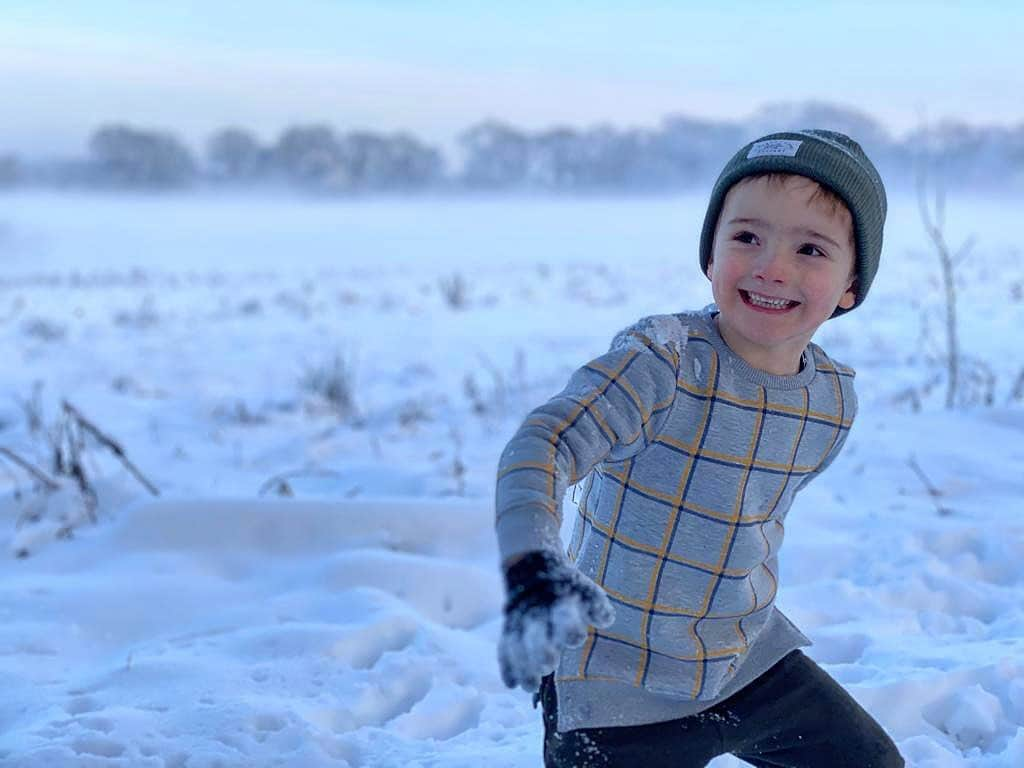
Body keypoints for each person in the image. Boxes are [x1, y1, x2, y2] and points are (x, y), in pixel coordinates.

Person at [493, 129, 904, 767]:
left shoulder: (830, 401)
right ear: (710, 254)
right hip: (614, 682)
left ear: (852, 285)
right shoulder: (661, 363)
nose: (773, 266)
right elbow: (544, 443)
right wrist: (530, 564)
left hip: (746, 664)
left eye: (811, 248)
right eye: (746, 237)